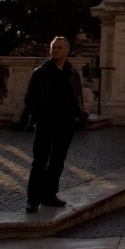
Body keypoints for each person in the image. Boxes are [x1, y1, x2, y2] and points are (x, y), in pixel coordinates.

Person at [23, 37, 84, 213]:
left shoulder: (72, 72)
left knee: (57, 161)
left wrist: (76, 116)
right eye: (53, 47)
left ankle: (50, 194)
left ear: (67, 50)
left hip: (66, 123)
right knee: (40, 161)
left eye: (59, 47)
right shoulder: (40, 72)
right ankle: (33, 198)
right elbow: (29, 98)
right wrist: (39, 118)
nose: (55, 50)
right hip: (46, 122)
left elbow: (77, 94)